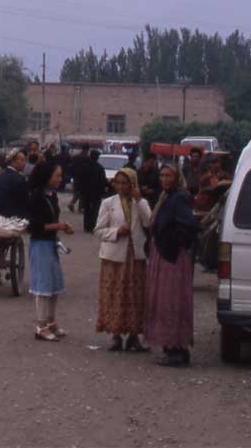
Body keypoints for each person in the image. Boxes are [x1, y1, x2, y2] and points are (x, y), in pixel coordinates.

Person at [145, 164, 198, 366]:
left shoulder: (178, 198)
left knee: (171, 301)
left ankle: (176, 348)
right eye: (162, 175)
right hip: (164, 255)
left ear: (177, 178)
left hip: (172, 258)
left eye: (168, 176)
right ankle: (172, 347)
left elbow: (190, 225)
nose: (164, 179)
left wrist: (174, 241)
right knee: (163, 300)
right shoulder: (166, 197)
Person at [94, 168, 152, 352]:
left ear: (132, 184)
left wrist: (139, 200)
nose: (120, 186)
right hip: (115, 257)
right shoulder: (108, 203)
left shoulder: (140, 203)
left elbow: (149, 222)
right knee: (114, 295)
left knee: (136, 295)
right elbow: (99, 230)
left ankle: (134, 335)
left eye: (125, 182)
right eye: (117, 182)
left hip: (135, 256)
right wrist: (117, 232)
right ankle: (115, 335)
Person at [27, 161, 73, 341]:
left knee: (54, 285)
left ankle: (51, 321)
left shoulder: (51, 196)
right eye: (57, 176)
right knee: (42, 287)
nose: (60, 179)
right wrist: (59, 226)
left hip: (51, 242)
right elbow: (36, 226)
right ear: (46, 177)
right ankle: (41, 325)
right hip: (40, 244)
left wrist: (60, 228)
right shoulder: (36, 197)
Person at [0, 147, 29, 219]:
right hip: (15, 217)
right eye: (22, 160)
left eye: (25, 160)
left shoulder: (1, 175)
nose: (25, 163)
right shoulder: (18, 179)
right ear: (12, 161)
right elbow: (25, 201)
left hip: (1, 215)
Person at [81, 150, 109, 233]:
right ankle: (93, 226)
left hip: (86, 192)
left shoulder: (85, 167)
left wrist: (81, 190)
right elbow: (103, 181)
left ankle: (86, 226)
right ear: (97, 158)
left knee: (87, 209)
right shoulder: (100, 168)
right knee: (95, 210)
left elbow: (81, 180)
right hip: (97, 193)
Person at [67, 144, 90, 213]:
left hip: (75, 177)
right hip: (84, 178)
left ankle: (73, 204)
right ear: (87, 150)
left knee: (77, 192)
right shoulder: (87, 158)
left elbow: (71, 167)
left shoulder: (75, 157)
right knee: (82, 193)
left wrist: (71, 175)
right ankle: (78, 207)